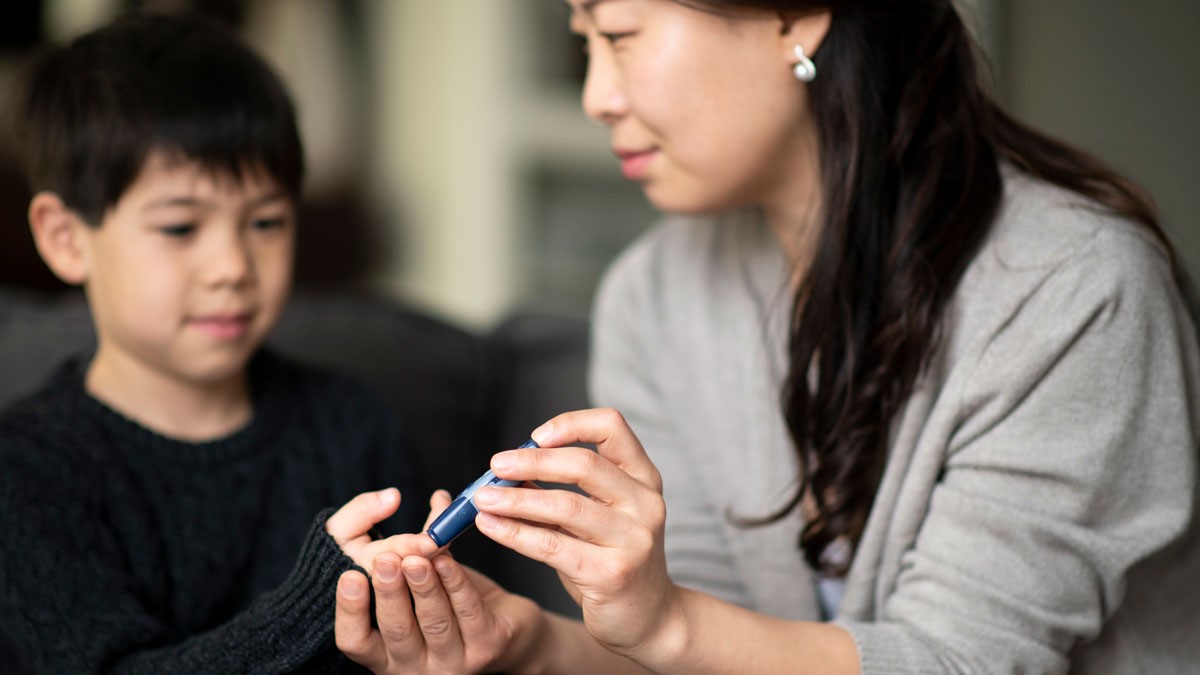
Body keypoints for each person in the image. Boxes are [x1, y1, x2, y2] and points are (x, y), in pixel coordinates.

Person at [334, 1, 1200, 673]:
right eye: (581, 38)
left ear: (796, 17)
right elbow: (714, 644)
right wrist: (526, 642)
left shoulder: (1079, 288)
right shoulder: (658, 290)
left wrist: (666, 621)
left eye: (621, 33)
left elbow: (963, 659)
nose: (597, 95)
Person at [0, 10, 429, 674]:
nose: (232, 265)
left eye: (265, 221)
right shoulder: (25, 471)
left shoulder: (353, 425)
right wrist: (316, 597)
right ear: (64, 237)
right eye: (180, 227)